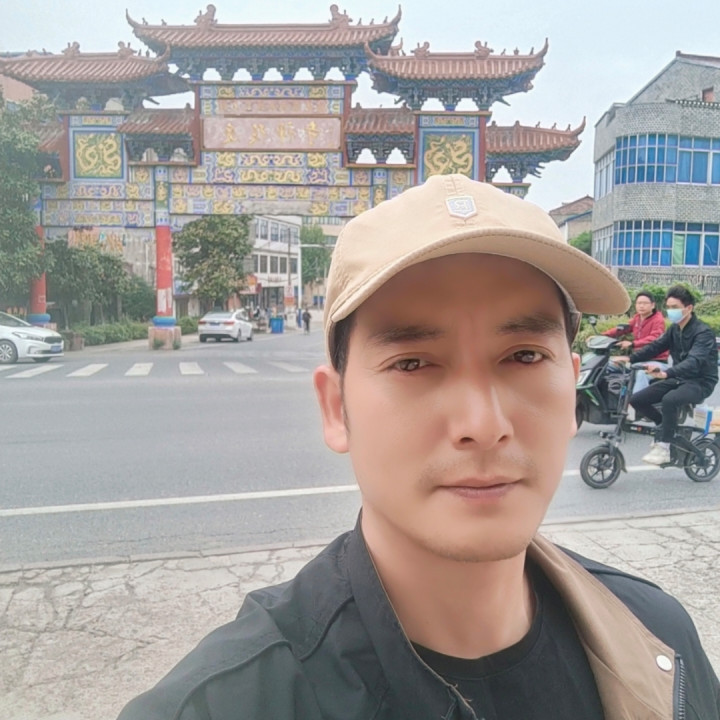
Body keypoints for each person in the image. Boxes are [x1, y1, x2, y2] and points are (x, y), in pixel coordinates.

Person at [118, 176, 720, 720]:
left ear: (572, 393)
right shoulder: (222, 706)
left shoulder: (660, 643)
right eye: (412, 363)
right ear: (336, 409)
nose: (483, 425)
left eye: (524, 356)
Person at [618, 285, 718, 466]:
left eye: (675, 307)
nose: (671, 311)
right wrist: (630, 358)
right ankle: (664, 427)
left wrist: (667, 373)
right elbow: (655, 347)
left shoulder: (703, 333)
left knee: (670, 400)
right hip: (679, 378)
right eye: (669, 307)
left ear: (688, 308)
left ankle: (664, 446)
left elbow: (694, 361)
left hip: (700, 382)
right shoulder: (674, 329)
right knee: (637, 399)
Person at [602, 291, 667, 393]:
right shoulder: (637, 318)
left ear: (653, 305)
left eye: (645, 303)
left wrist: (633, 344)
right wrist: (602, 336)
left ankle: (637, 401)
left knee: (641, 373)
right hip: (637, 359)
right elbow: (623, 329)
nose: (641, 306)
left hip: (655, 360)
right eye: (639, 303)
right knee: (606, 365)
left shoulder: (658, 320)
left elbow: (654, 338)